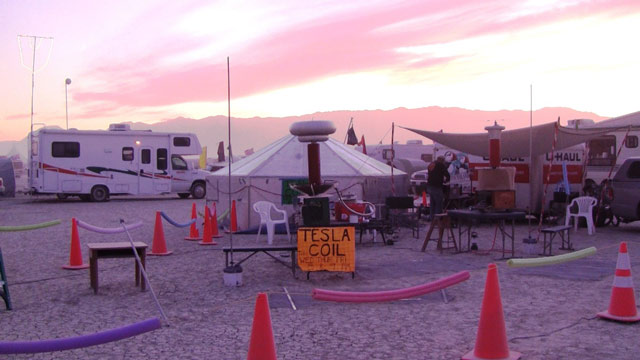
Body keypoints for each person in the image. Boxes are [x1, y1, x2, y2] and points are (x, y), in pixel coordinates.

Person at [427, 155, 450, 220]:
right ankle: (437, 220)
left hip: (429, 186)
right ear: (442, 160)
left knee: (432, 203)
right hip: (436, 187)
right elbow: (447, 175)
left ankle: (432, 219)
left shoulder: (431, 164)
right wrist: (447, 181)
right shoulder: (440, 165)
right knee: (439, 203)